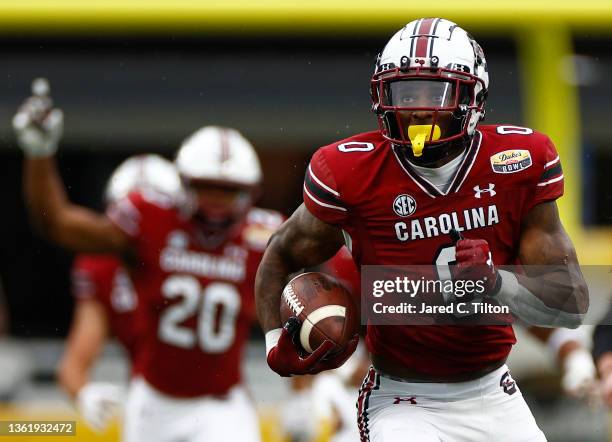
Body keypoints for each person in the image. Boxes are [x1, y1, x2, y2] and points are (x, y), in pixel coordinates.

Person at [255, 17, 588, 441]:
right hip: (404, 400)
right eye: (405, 92)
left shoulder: (520, 161)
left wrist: (497, 283)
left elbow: (570, 302)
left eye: (435, 92)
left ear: (472, 97)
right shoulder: (351, 172)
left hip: (492, 393)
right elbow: (280, 255)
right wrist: (271, 342)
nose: (416, 107)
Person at [14, 80, 283, 442]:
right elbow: (56, 223)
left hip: (222, 403)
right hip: (153, 401)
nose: (217, 201)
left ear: (250, 192)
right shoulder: (151, 223)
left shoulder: (261, 235)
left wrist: (316, 383)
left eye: (230, 190)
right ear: (182, 185)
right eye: (206, 187)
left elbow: (324, 289)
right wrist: (39, 153)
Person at [57, 154, 182, 433]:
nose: (139, 229)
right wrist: (83, 393)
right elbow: (74, 363)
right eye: (128, 218)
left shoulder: (199, 252)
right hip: (150, 395)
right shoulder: (100, 265)